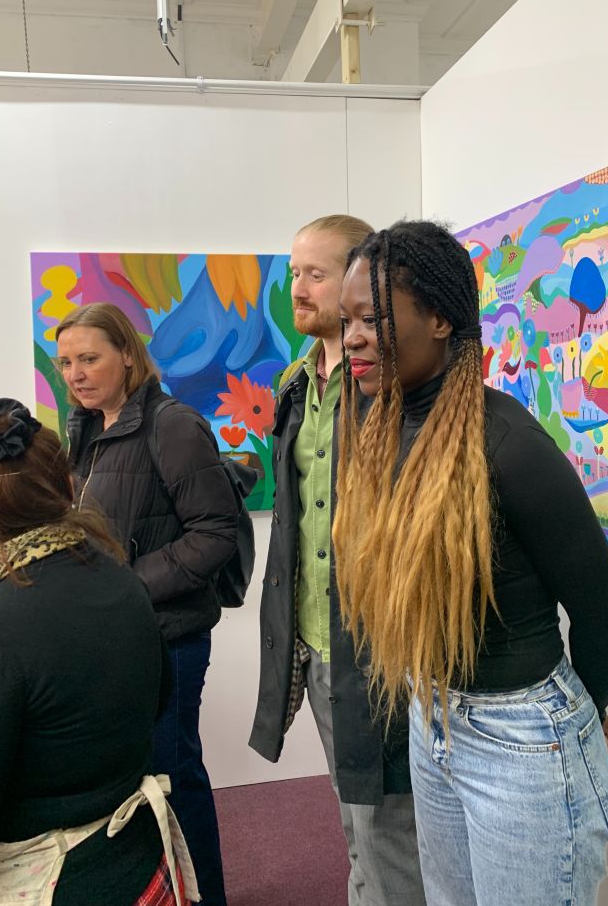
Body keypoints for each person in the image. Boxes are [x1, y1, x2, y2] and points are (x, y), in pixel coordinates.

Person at [333, 220, 608, 906]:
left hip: (523, 737)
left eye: (372, 319)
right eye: (346, 320)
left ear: (440, 319)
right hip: (436, 718)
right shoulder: (385, 429)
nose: (351, 337)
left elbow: (605, 614)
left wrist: (579, 723)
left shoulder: (509, 444)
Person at [0, 398, 197, 905]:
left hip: (55, 885)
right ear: (68, 489)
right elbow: (157, 700)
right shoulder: (124, 583)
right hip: (136, 866)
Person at [249, 214, 426, 906]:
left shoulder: (395, 385)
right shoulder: (296, 384)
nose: (298, 288)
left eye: (314, 274)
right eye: (295, 273)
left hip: (385, 648)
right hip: (318, 645)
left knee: (389, 832)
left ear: (361, 282)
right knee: (354, 821)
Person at [57, 302, 239, 906]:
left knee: (174, 776)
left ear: (128, 357)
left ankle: (205, 896)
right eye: (65, 363)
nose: (76, 374)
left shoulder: (173, 425)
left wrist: (127, 586)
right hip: (115, 637)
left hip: (170, 638)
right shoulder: (87, 430)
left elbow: (214, 534)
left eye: (89, 358)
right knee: (139, 786)